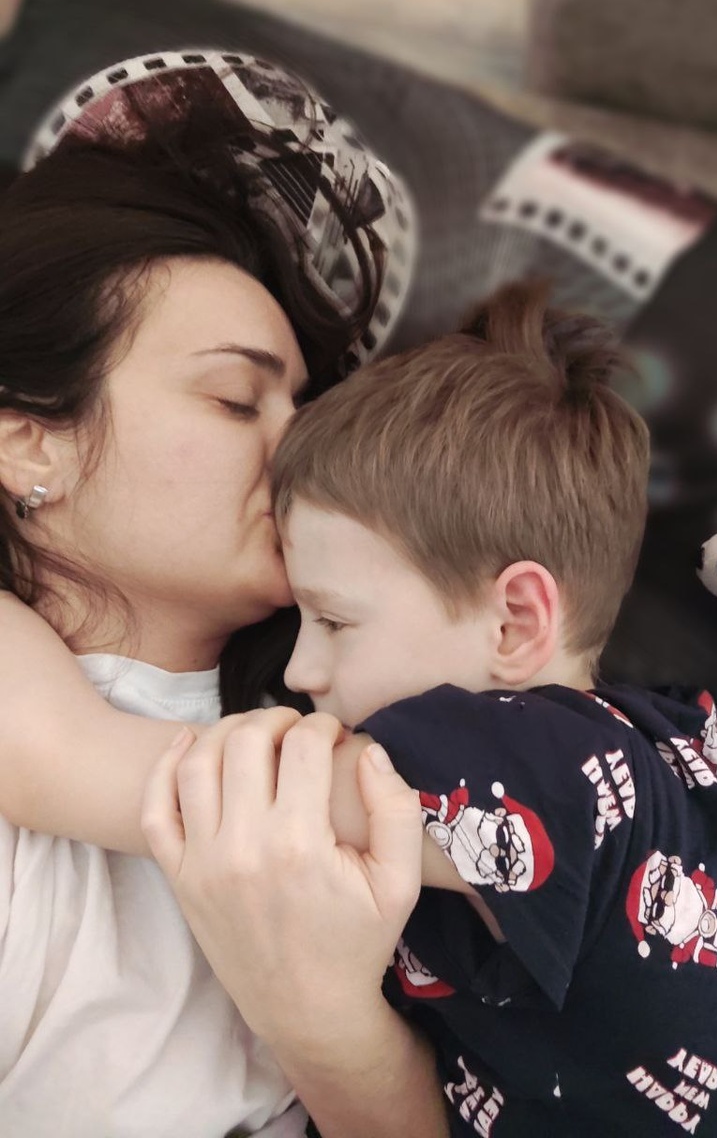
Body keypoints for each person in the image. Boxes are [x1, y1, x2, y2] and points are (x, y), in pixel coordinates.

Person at [2, 268, 717, 1133]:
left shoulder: (550, 772)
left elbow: (78, 764)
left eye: (334, 621)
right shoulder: (679, 745)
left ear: (514, 623)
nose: (301, 671)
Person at [0, 124, 450, 1136]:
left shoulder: (374, 707)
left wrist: (323, 1021)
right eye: (235, 399)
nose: (304, 455)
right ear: (29, 443)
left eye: (306, 409)